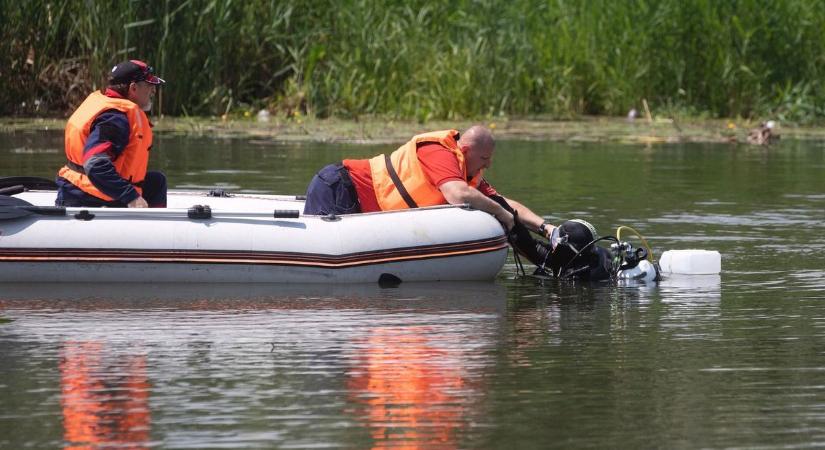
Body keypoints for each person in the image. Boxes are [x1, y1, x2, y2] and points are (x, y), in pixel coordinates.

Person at [303, 125, 555, 266]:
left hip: (363, 208)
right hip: (340, 186)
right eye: (484, 159)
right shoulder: (438, 152)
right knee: (324, 259)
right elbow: (457, 195)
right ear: (465, 150)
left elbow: (505, 203)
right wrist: (501, 214)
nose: (488, 166)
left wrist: (546, 228)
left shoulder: (468, 174)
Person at [56, 60, 167, 208]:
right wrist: (131, 197)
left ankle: (153, 227)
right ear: (133, 88)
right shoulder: (115, 118)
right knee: (154, 184)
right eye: (149, 85)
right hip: (86, 197)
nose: (153, 90)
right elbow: (95, 164)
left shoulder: (110, 108)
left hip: (84, 189)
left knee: (156, 182)